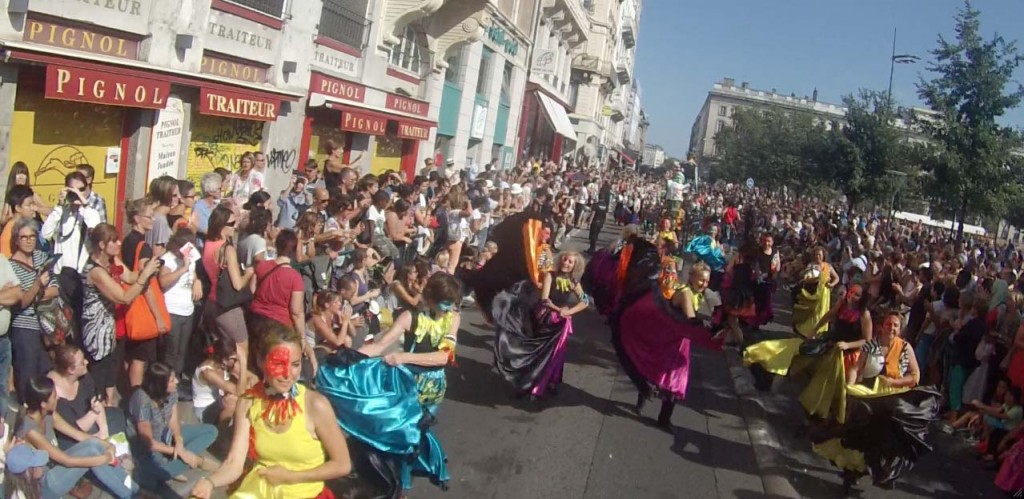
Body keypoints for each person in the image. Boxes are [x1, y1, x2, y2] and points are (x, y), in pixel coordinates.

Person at [189, 323, 352, 499]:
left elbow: (342, 464)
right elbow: (234, 463)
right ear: (260, 361)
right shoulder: (248, 402)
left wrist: (291, 477)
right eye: (278, 364)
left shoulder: (315, 405)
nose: (288, 374)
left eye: (295, 365)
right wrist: (209, 482)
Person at [15, 375, 137, 498]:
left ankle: (133, 488)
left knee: (93, 445)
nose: (57, 397)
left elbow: (78, 435)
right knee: (91, 452)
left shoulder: (49, 414)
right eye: (53, 396)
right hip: (46, 484)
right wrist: (104, 458)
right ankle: (128, 495)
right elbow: (66, 461)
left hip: (56, 468)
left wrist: (107, 445)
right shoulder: (31, 431)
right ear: (43, 404)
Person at [359, 272, 462, 416]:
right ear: (431, 299)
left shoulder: (453, 318)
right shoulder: (409, 318)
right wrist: (350, 354)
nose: (449, 309)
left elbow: (444, 357)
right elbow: (379, 346)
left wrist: (403, 357)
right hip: (409, 385)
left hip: (435, 389)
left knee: (421, 429)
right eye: (445, 303)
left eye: (452, 303)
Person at [492, 252, 589, 403]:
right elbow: (545, 300)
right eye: (565, 259)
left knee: (556, 354)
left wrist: (570, 311)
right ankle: (528, 382)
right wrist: (560, 310)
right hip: (546, 318)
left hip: (561, 322)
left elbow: (585, 300)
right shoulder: (550, 275)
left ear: (575, 266)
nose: (566, 263)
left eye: (570, 262)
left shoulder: (574, 282)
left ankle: (551, 381)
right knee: (538, 352)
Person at [82, 224, 162, 404]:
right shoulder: (95, 271)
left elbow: (130, 277)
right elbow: (124, 297)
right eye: (114, 241)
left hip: (110, 330)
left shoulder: (112, 261)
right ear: (102, 245)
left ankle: (106, 407)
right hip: (97, 333)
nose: (119, 243)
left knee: (110, 375)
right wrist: (145, 276)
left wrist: (147, 269)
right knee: (98, 380)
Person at [127, 361, 218, 490]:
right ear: (159, 385)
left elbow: (173, 421)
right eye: (171, 380)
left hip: (166, 437)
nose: (176, 381)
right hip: (147, 449)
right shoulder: (142, 401)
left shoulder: (173, 393)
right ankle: (195, 461)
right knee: (154, 478)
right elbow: (149, 442)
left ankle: (176, 464)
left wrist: (179, 441)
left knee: (211, 431)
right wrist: (178, 452)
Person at [202, 205, 255, 381]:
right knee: (241, 349)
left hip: (211, 303)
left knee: (224, 349)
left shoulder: (208, 244)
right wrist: (249, 273)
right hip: (228, 307)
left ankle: (224, 382)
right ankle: (241, 386)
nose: (235, 227)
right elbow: (238, 284)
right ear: (221, 225)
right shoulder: (227, 249)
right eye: (232, 223)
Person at [122, 198, 171, 388]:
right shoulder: (143, 247)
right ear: (136, 218)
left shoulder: (128, 241)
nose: (153, 220)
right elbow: (146, 283)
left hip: (131, 301)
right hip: (142, 304)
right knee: (141, 357)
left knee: (133, 354)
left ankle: (129, 390)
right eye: (149, 216)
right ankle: (136, 394)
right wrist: (157, 316)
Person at [249, 229, 312, 369]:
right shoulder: (295, 277)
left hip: (256, 319)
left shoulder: (262, 266)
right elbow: (296, 312)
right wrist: (302, 337)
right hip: (279, 325)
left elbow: (252, 290)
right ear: (295, 250)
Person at [9, 217, 56, 400]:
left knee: (47, 374)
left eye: (32, 236)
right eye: (24, 237)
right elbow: (21, 302)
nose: (29, 240)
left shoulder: (41, 258)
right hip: (24, 328)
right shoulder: (10, 266)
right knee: (27, 380)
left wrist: (34, 295)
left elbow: (55, 290)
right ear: (16, 240)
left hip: (47, 326)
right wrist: (37, 285)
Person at [47, 345, 126, 448]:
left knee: (117, 415)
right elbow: (78, 428)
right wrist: (94, 413)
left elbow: (96, 402)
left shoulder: (83, 376)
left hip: (90, 419)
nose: (86, 362)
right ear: (71, 370)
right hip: (72, 435)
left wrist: (103, 431)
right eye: (82, 362)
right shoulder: (52, 391)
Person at [158, 229, 203, 377]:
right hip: (172, 311)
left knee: (182, 351)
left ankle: (175, 381)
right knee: (171, 352)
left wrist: (197, 281)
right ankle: (166, 384)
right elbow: (163, 281)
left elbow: (193, 274)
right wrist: (182, 269)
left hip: (187, 311)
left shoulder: (191, 258)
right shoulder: (169, 258)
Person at [41, 172, 102, 273]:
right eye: (72, 189)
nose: (77, 193)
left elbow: (97, 234)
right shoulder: (60, 212)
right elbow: (45, 234)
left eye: (81, 189)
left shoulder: (91, 213)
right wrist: (60, 205)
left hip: (79, 275)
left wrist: (83, 205)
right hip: (59, 274)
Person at [192, 336, 256, 426]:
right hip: (205, 409)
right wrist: (243, 362)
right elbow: (239, 392)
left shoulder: (226, 364)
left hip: (218, 399)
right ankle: (221, 432)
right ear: (225, 360)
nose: (236, 361)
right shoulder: (208, 372)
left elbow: (254, 378)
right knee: (233, 400)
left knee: (243, 391)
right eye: (234, 359)